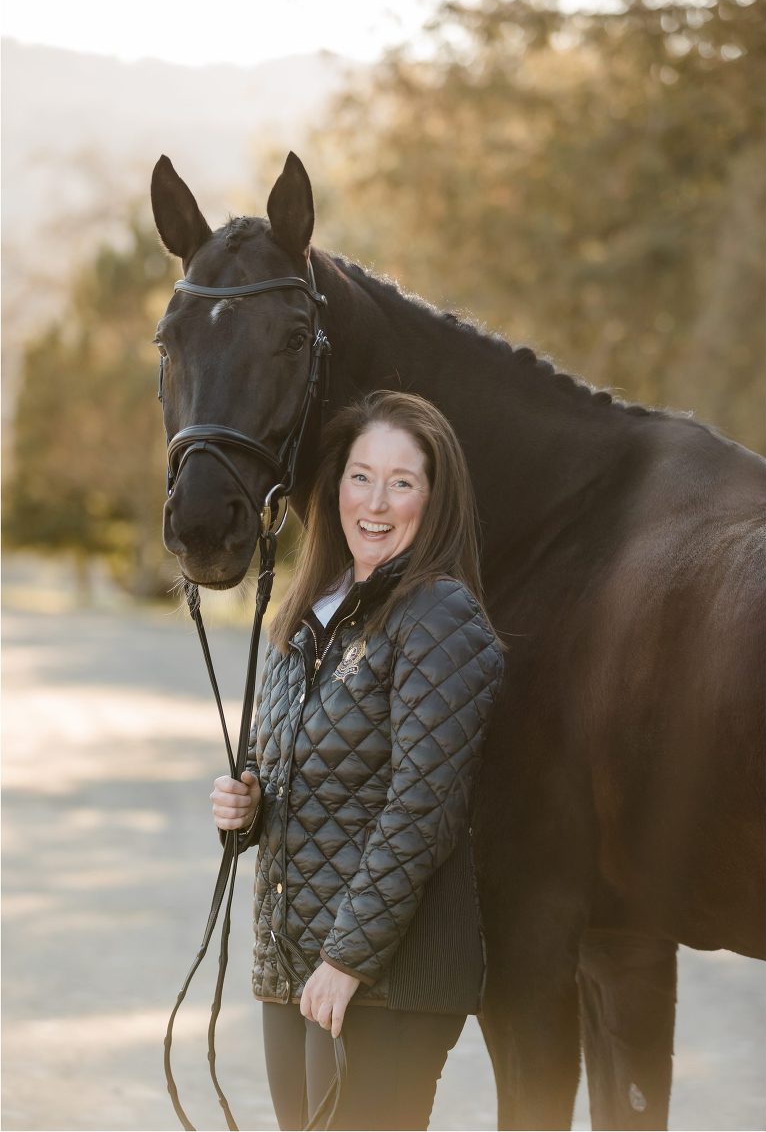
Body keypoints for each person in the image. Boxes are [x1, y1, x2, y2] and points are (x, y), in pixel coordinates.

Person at [210, 390, 504, 1131]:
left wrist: (347, 959)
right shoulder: (306, 614)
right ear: (334, 486)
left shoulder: (439, 616)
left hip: (383, 979)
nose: (376, 501)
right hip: (295, 967)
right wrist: (243, 807)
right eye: (360, 476)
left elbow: (422, 808)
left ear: (433, 500)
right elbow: (290, 772)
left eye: (402, 482)